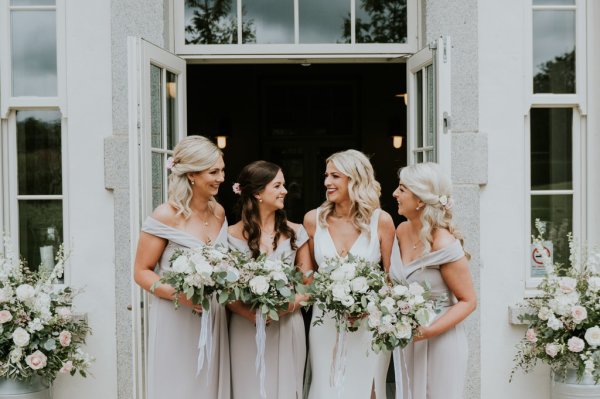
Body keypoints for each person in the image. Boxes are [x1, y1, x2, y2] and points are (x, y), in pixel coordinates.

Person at [133, 135, 230, 399]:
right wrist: (182, 296)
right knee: (178, 385)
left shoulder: (219, 212)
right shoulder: (165, 215)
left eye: (222, 170)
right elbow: (141, 272)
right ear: (191, 176)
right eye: (213, 172)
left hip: (213, 315)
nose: (221, 177)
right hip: (176, 316)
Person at [304, 149, 395, 399]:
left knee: (368, 388)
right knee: (325, 387)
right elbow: (308, 278)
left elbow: (391, 278)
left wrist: (370, 306)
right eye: (326, 176)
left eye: (335, 176)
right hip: (325, 321)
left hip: (368, 323)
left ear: (354, 179)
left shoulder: (381, 221)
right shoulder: (314, 220)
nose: (327, 182)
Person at [390, 162, 477, 399]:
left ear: (419, 200)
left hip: (441, 340)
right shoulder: (401, 231)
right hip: (408, 338)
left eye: (401, 189)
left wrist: (428, 331)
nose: (394, 194)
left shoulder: (444, 243)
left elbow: (468, 301)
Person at [227, 160, 313, 399]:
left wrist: (284, 308)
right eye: (277, 185)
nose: (285, 190)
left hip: (287, 325)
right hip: (245, 326)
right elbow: (222, 289)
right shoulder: (228, 236)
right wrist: (251, 314)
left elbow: (310, 285)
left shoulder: (296, 232)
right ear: (257, 193)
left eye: (283, 185)